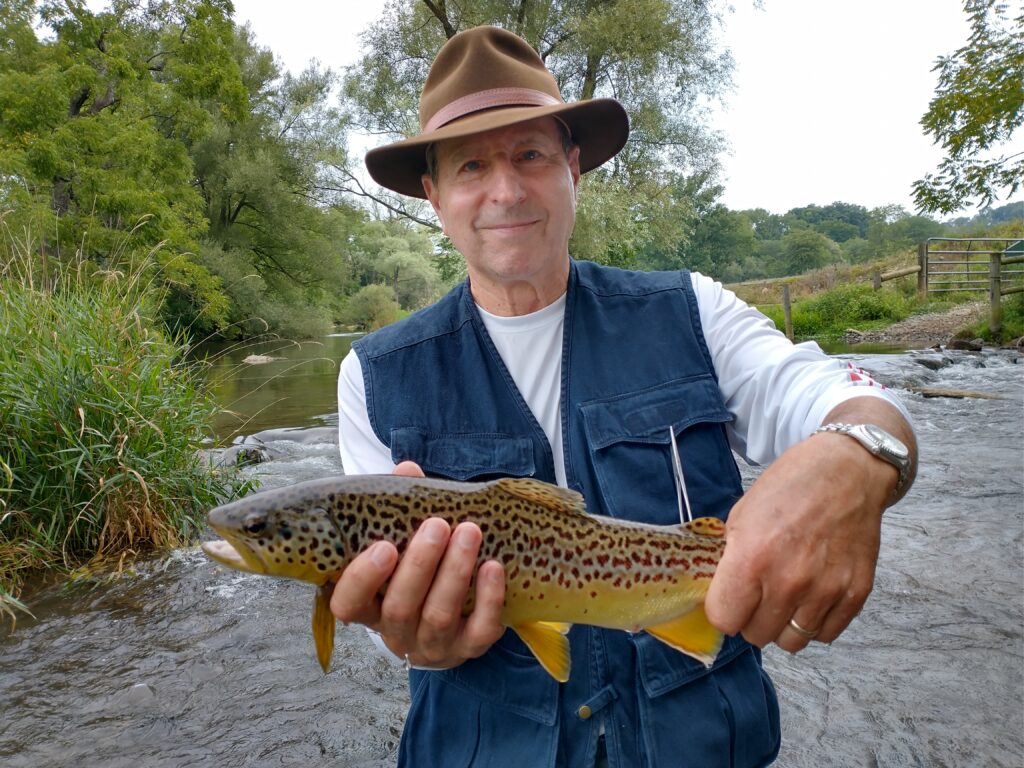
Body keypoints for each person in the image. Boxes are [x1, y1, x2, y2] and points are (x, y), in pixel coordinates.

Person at [332, 25, 917, 768]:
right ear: (434, 194)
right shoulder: (371, 375)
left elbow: (844, 399)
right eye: (471, 165)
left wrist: (859, 456)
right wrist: (416, 639)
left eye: (530, 155)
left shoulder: (692, 311)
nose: (505, 189)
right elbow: (393, 631)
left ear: (574, 167)